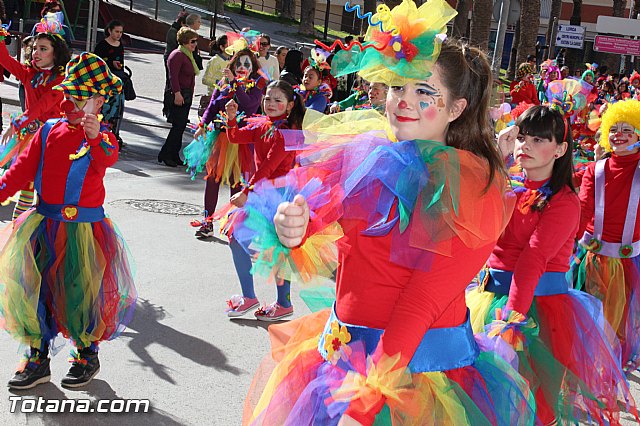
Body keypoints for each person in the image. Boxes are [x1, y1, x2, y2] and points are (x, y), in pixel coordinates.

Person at [236, 1, 536, 424]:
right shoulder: (367, 153)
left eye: (423, 92)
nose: (403, 102)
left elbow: (423, 300)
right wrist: (294, 228)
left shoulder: (475, 186)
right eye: (398, 87)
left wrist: (370, 391)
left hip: (411, 378)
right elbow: (321, 229)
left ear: (456, 108)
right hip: (338, 357)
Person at [467, 105, 636, 424]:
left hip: (537, 313)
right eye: (522, 137)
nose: (525, 146)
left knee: (535, 404)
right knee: (485, 399)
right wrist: (498, 157)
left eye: (539, 139)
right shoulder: (507, 182)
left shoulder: (563, 201)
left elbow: (533, 259)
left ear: (560, 149)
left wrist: (511, 321)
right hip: (488, 301)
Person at [0, 52, 136, 390]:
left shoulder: (103, 138)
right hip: (42, 226)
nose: (69, 103)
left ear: (99, 101)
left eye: (79, 97)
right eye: (68, 94)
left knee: (80, 295)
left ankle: (86, 355)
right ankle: (37, 358)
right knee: (37, 294)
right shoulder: (48, 131)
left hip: (83, 233)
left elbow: (107, 158)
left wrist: (92, 136)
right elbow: (19, 172)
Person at [223, 80, 305, 320]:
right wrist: (230, 117)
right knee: (240, 235)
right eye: (268, 98)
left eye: (278, 100)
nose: (271, 104)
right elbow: (235, 137)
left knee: (275, 247)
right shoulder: (264, 125)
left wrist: (246, 191)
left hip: (276, 195)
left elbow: (268, 166)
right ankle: (268, 300)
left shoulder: (285, 134)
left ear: (289, 105)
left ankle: (274, 301)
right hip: (262, 191)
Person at [572, 99, 640, 372]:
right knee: (585, 322)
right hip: (590, 260)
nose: (619, 135)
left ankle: (608, 375)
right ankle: (585, 372)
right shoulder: (594, 170)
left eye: (628, 129)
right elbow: (582, 210)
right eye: (614, 128)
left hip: (628, 265)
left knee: (617, 326)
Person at [189, 47, 267, 238]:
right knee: (212, 180)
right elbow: (213, 104)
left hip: (241, 140)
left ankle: (233, 223)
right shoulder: (224, 82)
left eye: (247, 64)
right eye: (238, 63)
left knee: (236, 184)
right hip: (221, 138)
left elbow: (249, 104)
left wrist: (236, 83)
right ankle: (207, 223)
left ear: (253, 67)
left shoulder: (258, 84)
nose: (242, 67)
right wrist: (203, 124)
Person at [0, 24, 70, 221]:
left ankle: (43, 228)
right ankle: (17, 230)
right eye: (35, 48)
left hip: (52, 139)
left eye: (43, 49)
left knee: (47, 188)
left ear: (55, 54)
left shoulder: (61, 80)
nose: (36, 53)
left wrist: (17, 123)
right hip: (29, 135)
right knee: (27, 185)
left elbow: (42, 106)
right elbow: (4, 60)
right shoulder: (29, 73)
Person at [159, 27, 199, 167]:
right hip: (179, 94)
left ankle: (174, 154)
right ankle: (166, 154)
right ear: (185, 41)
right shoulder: (177, 55)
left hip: (186, 95)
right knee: (177, 126)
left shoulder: (188, 54)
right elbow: (173, 77)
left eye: (195, 41)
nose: (195, 44)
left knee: (181, 127)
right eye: (192, 41)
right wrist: (177, 93)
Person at [94, 19, 127, 149]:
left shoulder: (120, 44)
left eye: (121, 32)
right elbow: (97, 62)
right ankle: (102, 130)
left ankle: (114, 132)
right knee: (105, 107)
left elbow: (121, 61)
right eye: (117, 31)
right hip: (104, 81)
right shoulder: (102, 44)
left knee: (118, 108)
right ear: (109, 31)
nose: (119, 35)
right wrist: (110, 64)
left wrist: (119, 66)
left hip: (117, 80)